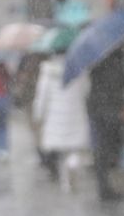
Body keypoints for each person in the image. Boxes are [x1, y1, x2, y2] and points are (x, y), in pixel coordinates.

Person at [31, 50, 90, 189]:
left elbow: (42, 96)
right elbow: (86, 89)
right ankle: (73, 163)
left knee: (62, 150)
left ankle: (66, 182)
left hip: (55, 115)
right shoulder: (78, 67)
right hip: (75, 111)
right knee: (74, 147)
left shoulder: (48, 71)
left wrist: (38, 114)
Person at [85, 48, 124, 201]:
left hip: (97, 107)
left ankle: (104, 186)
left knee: (103, 148)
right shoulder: (113, 59)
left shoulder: (96, 57)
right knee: (107, 147)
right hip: (107, 109)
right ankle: (106, 188)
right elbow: (114, 85)